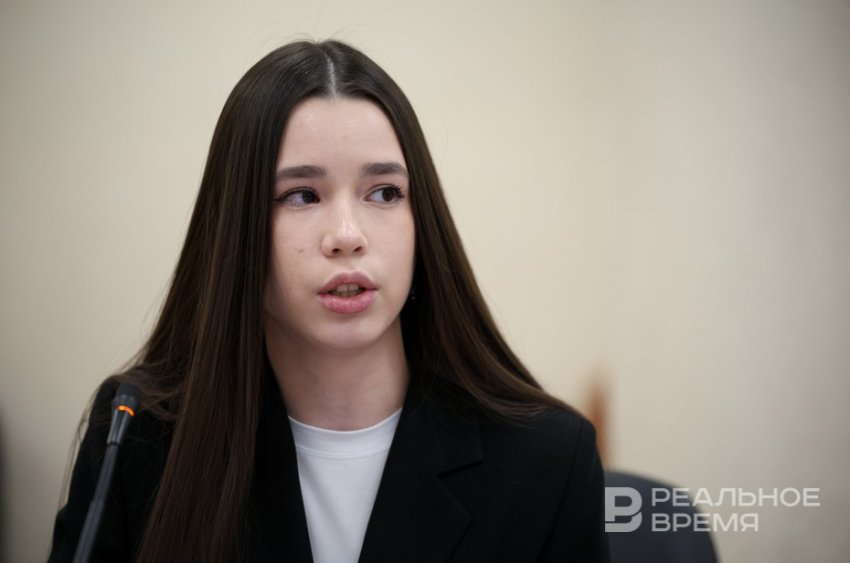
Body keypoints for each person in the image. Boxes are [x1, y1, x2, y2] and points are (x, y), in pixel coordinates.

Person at [48, 40, 608, 563]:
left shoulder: (549, 460)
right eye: (301, 195)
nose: (347, 235)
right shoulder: (136, 437)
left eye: (384, 192)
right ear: (236, 229)